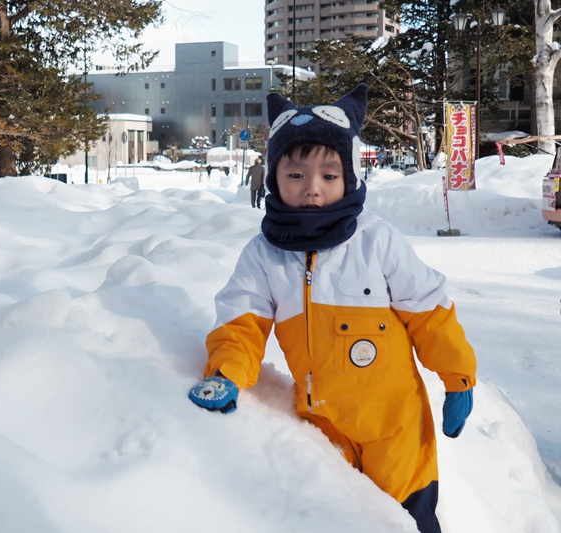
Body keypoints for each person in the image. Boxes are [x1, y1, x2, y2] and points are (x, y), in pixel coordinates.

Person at [187, 84, 476, 533]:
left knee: (405, 519)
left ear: (349, 178)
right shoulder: (265, 255)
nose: (312, 190)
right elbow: (242, 323)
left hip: (393, 423)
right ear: (274, 179)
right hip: (323, 423)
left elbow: (428, 310)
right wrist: (225, 372)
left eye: (328, 175)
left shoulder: (376, 241)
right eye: (296, 175)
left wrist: (457, 377)